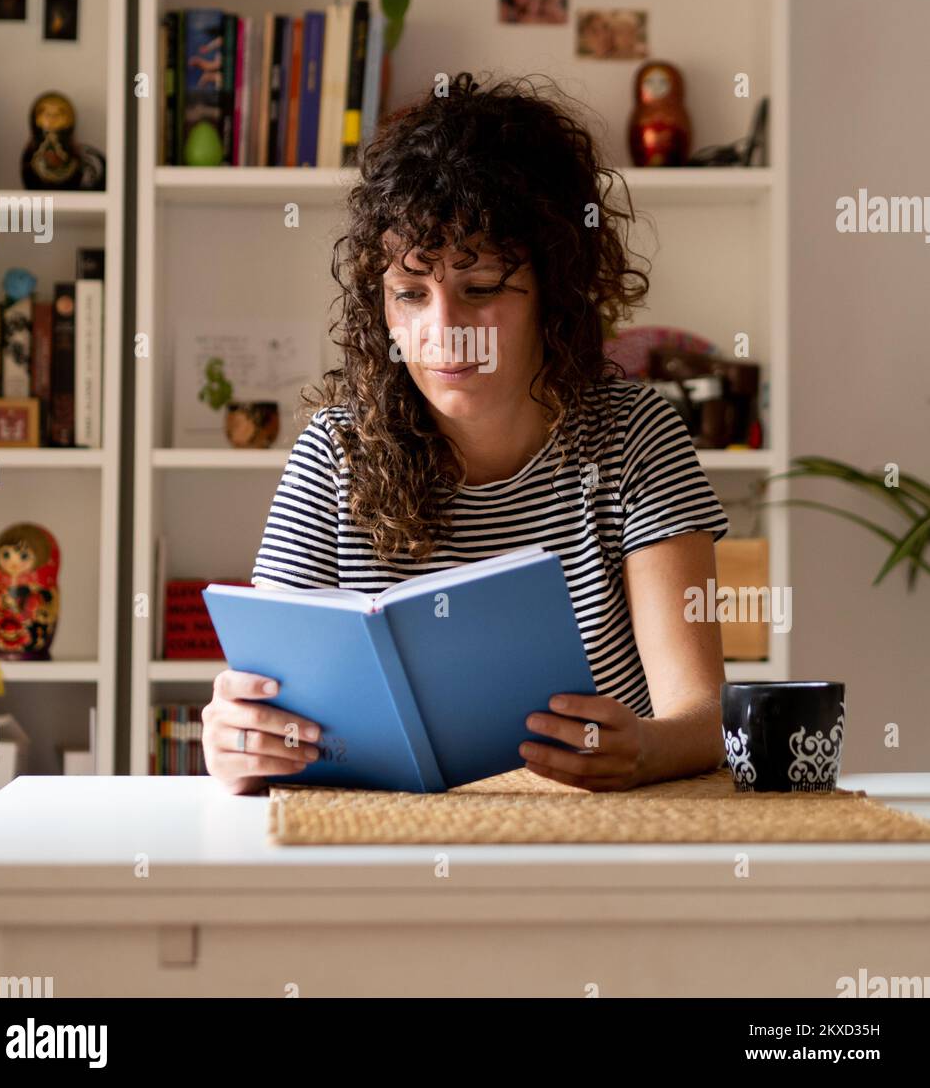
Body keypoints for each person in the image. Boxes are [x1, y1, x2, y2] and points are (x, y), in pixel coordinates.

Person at [202, 73, 730, 795]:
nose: (443, 332)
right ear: (381, 309)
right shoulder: (334, 454)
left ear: (555, 293)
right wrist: (236, 741)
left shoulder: (633, 438)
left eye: (480, 289)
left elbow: (703, 717)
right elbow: (256, 711)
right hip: (377, 865)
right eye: (411, 295)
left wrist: (645, 750)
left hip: (589, 850)